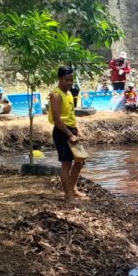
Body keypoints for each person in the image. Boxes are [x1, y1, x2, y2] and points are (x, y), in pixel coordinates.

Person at [49, 66, 88, 202]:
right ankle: (68, 195)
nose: (70, 83)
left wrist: (77, 130)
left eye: (71, 80)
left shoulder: (70, 93)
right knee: (66, 164)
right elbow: (57, 119)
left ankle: (73, 188)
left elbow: (70, 114)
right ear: (60, 79)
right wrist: (69, 135)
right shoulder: (56, 95)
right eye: (67, 80)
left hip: (71, 129)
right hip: (62, 131)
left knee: (80, 161)